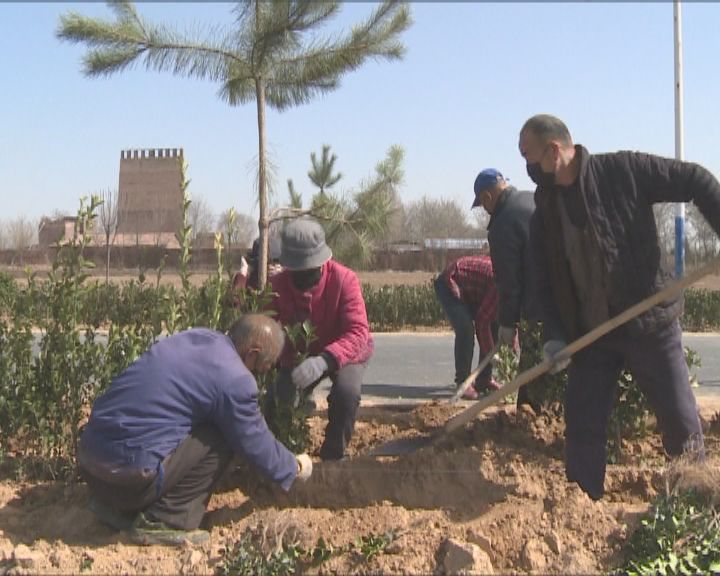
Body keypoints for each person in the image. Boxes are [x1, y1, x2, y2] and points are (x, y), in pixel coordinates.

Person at [518, 113, 720, 500]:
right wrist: (556, 336)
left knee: (679, 421)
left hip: (648, 324)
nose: (528, 169)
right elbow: (543, 284)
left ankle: (695, 500)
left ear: (555, 150)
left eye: (531, 158)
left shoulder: (622, 171)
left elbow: (695, 179)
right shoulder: (545, 211)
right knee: (583, 425)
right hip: (592, 336)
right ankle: (581, 504)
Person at [78, 314, 312, 546]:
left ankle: (114, 510)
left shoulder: (197, 337)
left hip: (92, 468)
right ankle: (165, 521)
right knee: (222, 434)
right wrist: (293, 466)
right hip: (129, 481)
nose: (260, 374)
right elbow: (252, 440)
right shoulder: (235, 379)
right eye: (262, 368)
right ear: (252, 354)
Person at [268, 217, 373, 460]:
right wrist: (285, 364)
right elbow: (268, 330)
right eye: (298, 270)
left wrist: (324, 360)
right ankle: (283, 454)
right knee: (279, 397)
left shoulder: (344, 280)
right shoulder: (277, 285)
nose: (303, 277)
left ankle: (334, 454)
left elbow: (358, 333)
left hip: (346, 352)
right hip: (299, 354)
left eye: (310, 269)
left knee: (346, 394)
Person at [472, 168, 541, 411]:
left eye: (482, 204)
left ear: (487, 198)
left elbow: (508, 281)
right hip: (564, 296)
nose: (485, 210)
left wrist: (508, 323)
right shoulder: (532, 198)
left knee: (534, 372)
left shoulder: (502, 225)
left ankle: (528, 420)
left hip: (539, 306)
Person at [434, 255, 500, 400]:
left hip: (473, 289)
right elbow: (482, 321)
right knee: (466, 330)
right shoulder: (501, 286)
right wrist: (491, 353)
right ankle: (463, 382)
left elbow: (510, 324)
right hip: (451, 283)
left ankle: (484, 379)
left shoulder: (514, 290)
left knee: (495, 324)